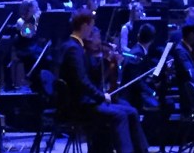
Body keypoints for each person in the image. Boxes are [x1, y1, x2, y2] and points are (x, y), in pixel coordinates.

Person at [58, 9, 148, 153]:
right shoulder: (73, 48)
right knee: (120, 115)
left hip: (85, 101)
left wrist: (107, 62)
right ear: (84, 26)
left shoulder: (75, 46)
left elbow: (87, 77)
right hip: (79, 105)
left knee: (131, 112)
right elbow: (81, 81)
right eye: (91, 26)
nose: (92, 30)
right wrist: (101, 96)